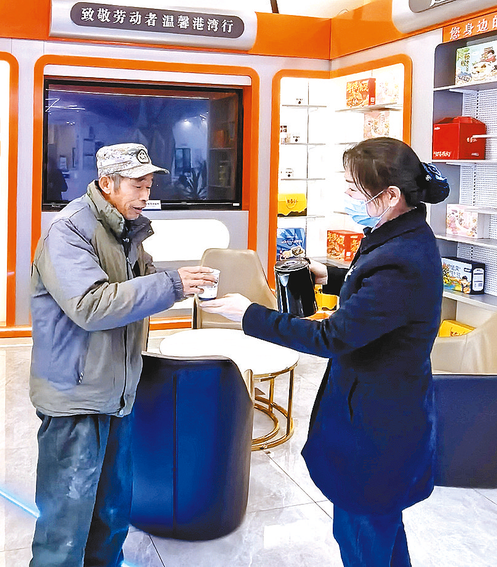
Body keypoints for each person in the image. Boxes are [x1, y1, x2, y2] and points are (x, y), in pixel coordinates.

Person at [201, 137, 450, 567]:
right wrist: (330, 275)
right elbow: (375, 295)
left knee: (363, 535)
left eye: (354, 189)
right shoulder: (400, 234)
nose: (347, 197)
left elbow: (332, 337)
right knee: (382, 530)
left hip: (378, 425)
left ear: (391, 196)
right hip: (380, 410)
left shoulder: (401, 259)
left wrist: (249, 315)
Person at [29, 142, 216, 567]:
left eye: (149, 186)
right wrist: (172, 284)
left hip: (117, 394)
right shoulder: (69, 231)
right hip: (76, 398)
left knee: (112, 514)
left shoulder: (127, 230)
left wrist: (190, 286)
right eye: (137, 185)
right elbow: (92, 305)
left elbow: (138, 286)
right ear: (107, 183)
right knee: (65, 526)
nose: (145, 195)